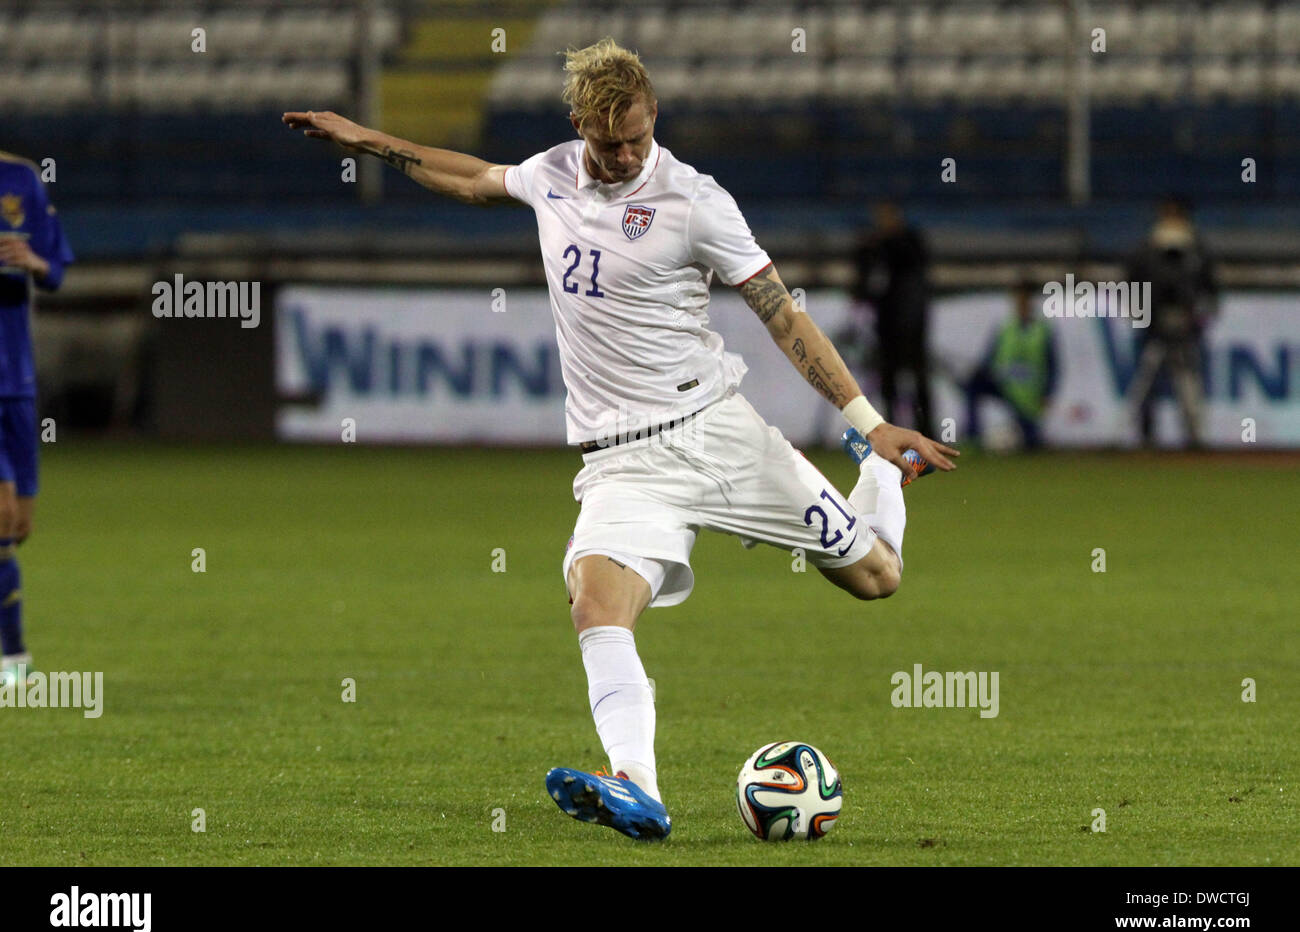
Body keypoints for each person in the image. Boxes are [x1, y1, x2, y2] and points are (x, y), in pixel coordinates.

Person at [284, 37, 957, 841]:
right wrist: (370, 141)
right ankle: (637, 786)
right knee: (595, 603)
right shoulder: (552, 175)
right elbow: (467, 176)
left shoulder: (696, 201)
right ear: (580, 127)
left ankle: (875, 471)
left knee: (876, 577)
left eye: (637, 136)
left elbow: (782, 313)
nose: (625, 154)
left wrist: (869, 425)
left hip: (718, 433)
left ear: (654, 115)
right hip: (623, 462)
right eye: (609, 144)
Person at [0, 150, 74, 687]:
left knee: (18, 527)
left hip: (17, 382)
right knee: (0, 521)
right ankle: (13, 658)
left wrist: (32, 262)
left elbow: (57, 271)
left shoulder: (22, 178)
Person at [1125, 199, 1218, 448]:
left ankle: (1193, 435)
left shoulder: (1195, 251)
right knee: (1146, 383)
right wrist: (1145, 317)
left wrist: (1196, 319)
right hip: (1153, 328)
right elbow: (1132, 286)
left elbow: (1208, 290)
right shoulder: (1146, 250)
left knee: (1188, 383)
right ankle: (1145, 435)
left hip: (1186, 328)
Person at [850, 201, 934, 437]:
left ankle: (926, 429)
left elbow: (916, 273)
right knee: (888, 378)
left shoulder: (907, 243)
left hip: (910, 325)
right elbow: (863, 282)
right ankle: (892, 429)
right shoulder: (876, 248)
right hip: (886, 327)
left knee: (917, 377)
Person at [963, 281, 1058, 450]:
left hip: (1028, 395)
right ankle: (972, 435)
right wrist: (980, 372)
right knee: (973, 386)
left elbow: (1054, 366)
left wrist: (1048, 393)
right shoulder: (1006, 328)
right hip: (1005, 386)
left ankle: (1028, 436)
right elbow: (989, 359)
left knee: (1032, 442)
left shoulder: (1043, 330)